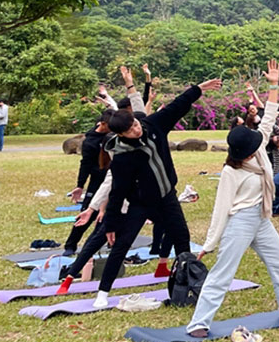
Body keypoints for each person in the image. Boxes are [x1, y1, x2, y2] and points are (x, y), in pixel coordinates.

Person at [83, 75, 222, 308]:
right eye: (130, 130)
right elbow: (117, 193)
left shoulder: (152, 125)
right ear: (120, 135)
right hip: (141, 202)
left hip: (167, 196)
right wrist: (111, 225)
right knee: (122, 244)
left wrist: (198, 88)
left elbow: (177, 106)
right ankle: (102, 293)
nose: (136, 130)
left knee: (182, 238)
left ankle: (186, 284)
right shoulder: (122, 158)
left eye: (135, 125)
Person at [186, 59, 279, 336]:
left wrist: (273, 85)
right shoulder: (231, 172)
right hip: (240, 221)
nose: (254, 152)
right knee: (223, 274)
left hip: (261, 218)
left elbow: (270, 114)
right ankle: (199, 323)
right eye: (249, 152)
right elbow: (221, 208)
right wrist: (210, 244)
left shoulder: (259, 144)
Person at [63, 108, 113, 255]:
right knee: (87, 213)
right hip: (97, 181)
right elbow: (85, 165)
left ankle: (106, 243)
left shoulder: (115, 135)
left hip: (113, 179)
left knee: (111, 214)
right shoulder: (90, 141)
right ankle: (70, 245)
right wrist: (80, 185)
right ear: (102, 124)